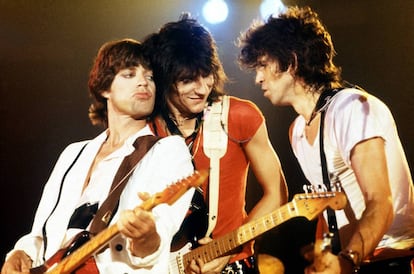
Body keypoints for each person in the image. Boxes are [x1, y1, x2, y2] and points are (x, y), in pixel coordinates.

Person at [237, 5, 414, 274]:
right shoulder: (297, 130)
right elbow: (325, 204)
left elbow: (381, 202)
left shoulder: (350, 108)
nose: (258, 78)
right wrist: (324, 257)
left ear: (291, 63)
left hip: (386, 259)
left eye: (263, 65)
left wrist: (347, 260)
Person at [1, 38, 197, 274]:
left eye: (150, 77)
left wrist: (147, 236)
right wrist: (21, 254)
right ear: (105, 88)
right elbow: (42, 232)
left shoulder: (168, 150)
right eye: (129, 74)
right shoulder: (73, 154)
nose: (144, 82)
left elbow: (162, 232)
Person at [142, 14, 288, 274]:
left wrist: (231, 247)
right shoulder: (144, 129)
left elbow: (276, 194)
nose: (202, 88)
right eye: (187, 80)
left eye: (206, 75)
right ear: (164, 79)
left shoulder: (239, 116)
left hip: (231, 265)